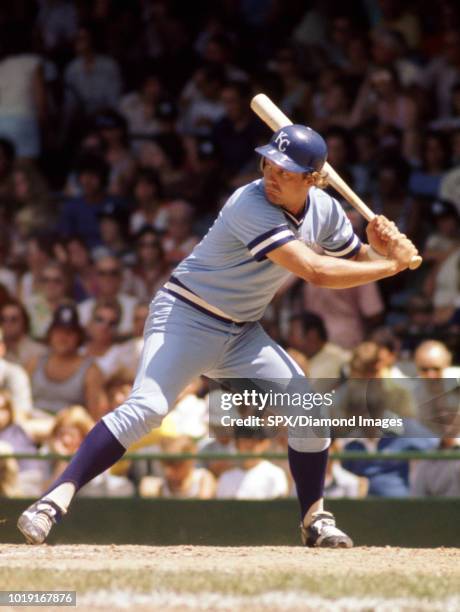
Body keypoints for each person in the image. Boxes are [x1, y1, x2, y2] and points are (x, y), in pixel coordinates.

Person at [18, 123, 419, 548]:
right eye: (268, 162)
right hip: (186, 315)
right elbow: (317, 271)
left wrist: (378, 249)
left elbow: (353, 258)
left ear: (312, 178)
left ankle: (314, 520)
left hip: (241, 331)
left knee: (309, 410)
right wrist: (392, 266)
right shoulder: (249, 203)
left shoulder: (325, 211)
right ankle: (53, 500)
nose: (271, 173)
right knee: (148, 407)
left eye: (285, 169)